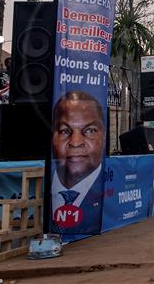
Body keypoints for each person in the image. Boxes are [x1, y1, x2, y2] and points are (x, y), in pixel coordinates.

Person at [50, 91, 106, 233]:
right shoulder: (40, 184)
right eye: (64, 131)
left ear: (104, 136)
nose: (75, 143)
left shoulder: (110, 189)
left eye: (90, 130)